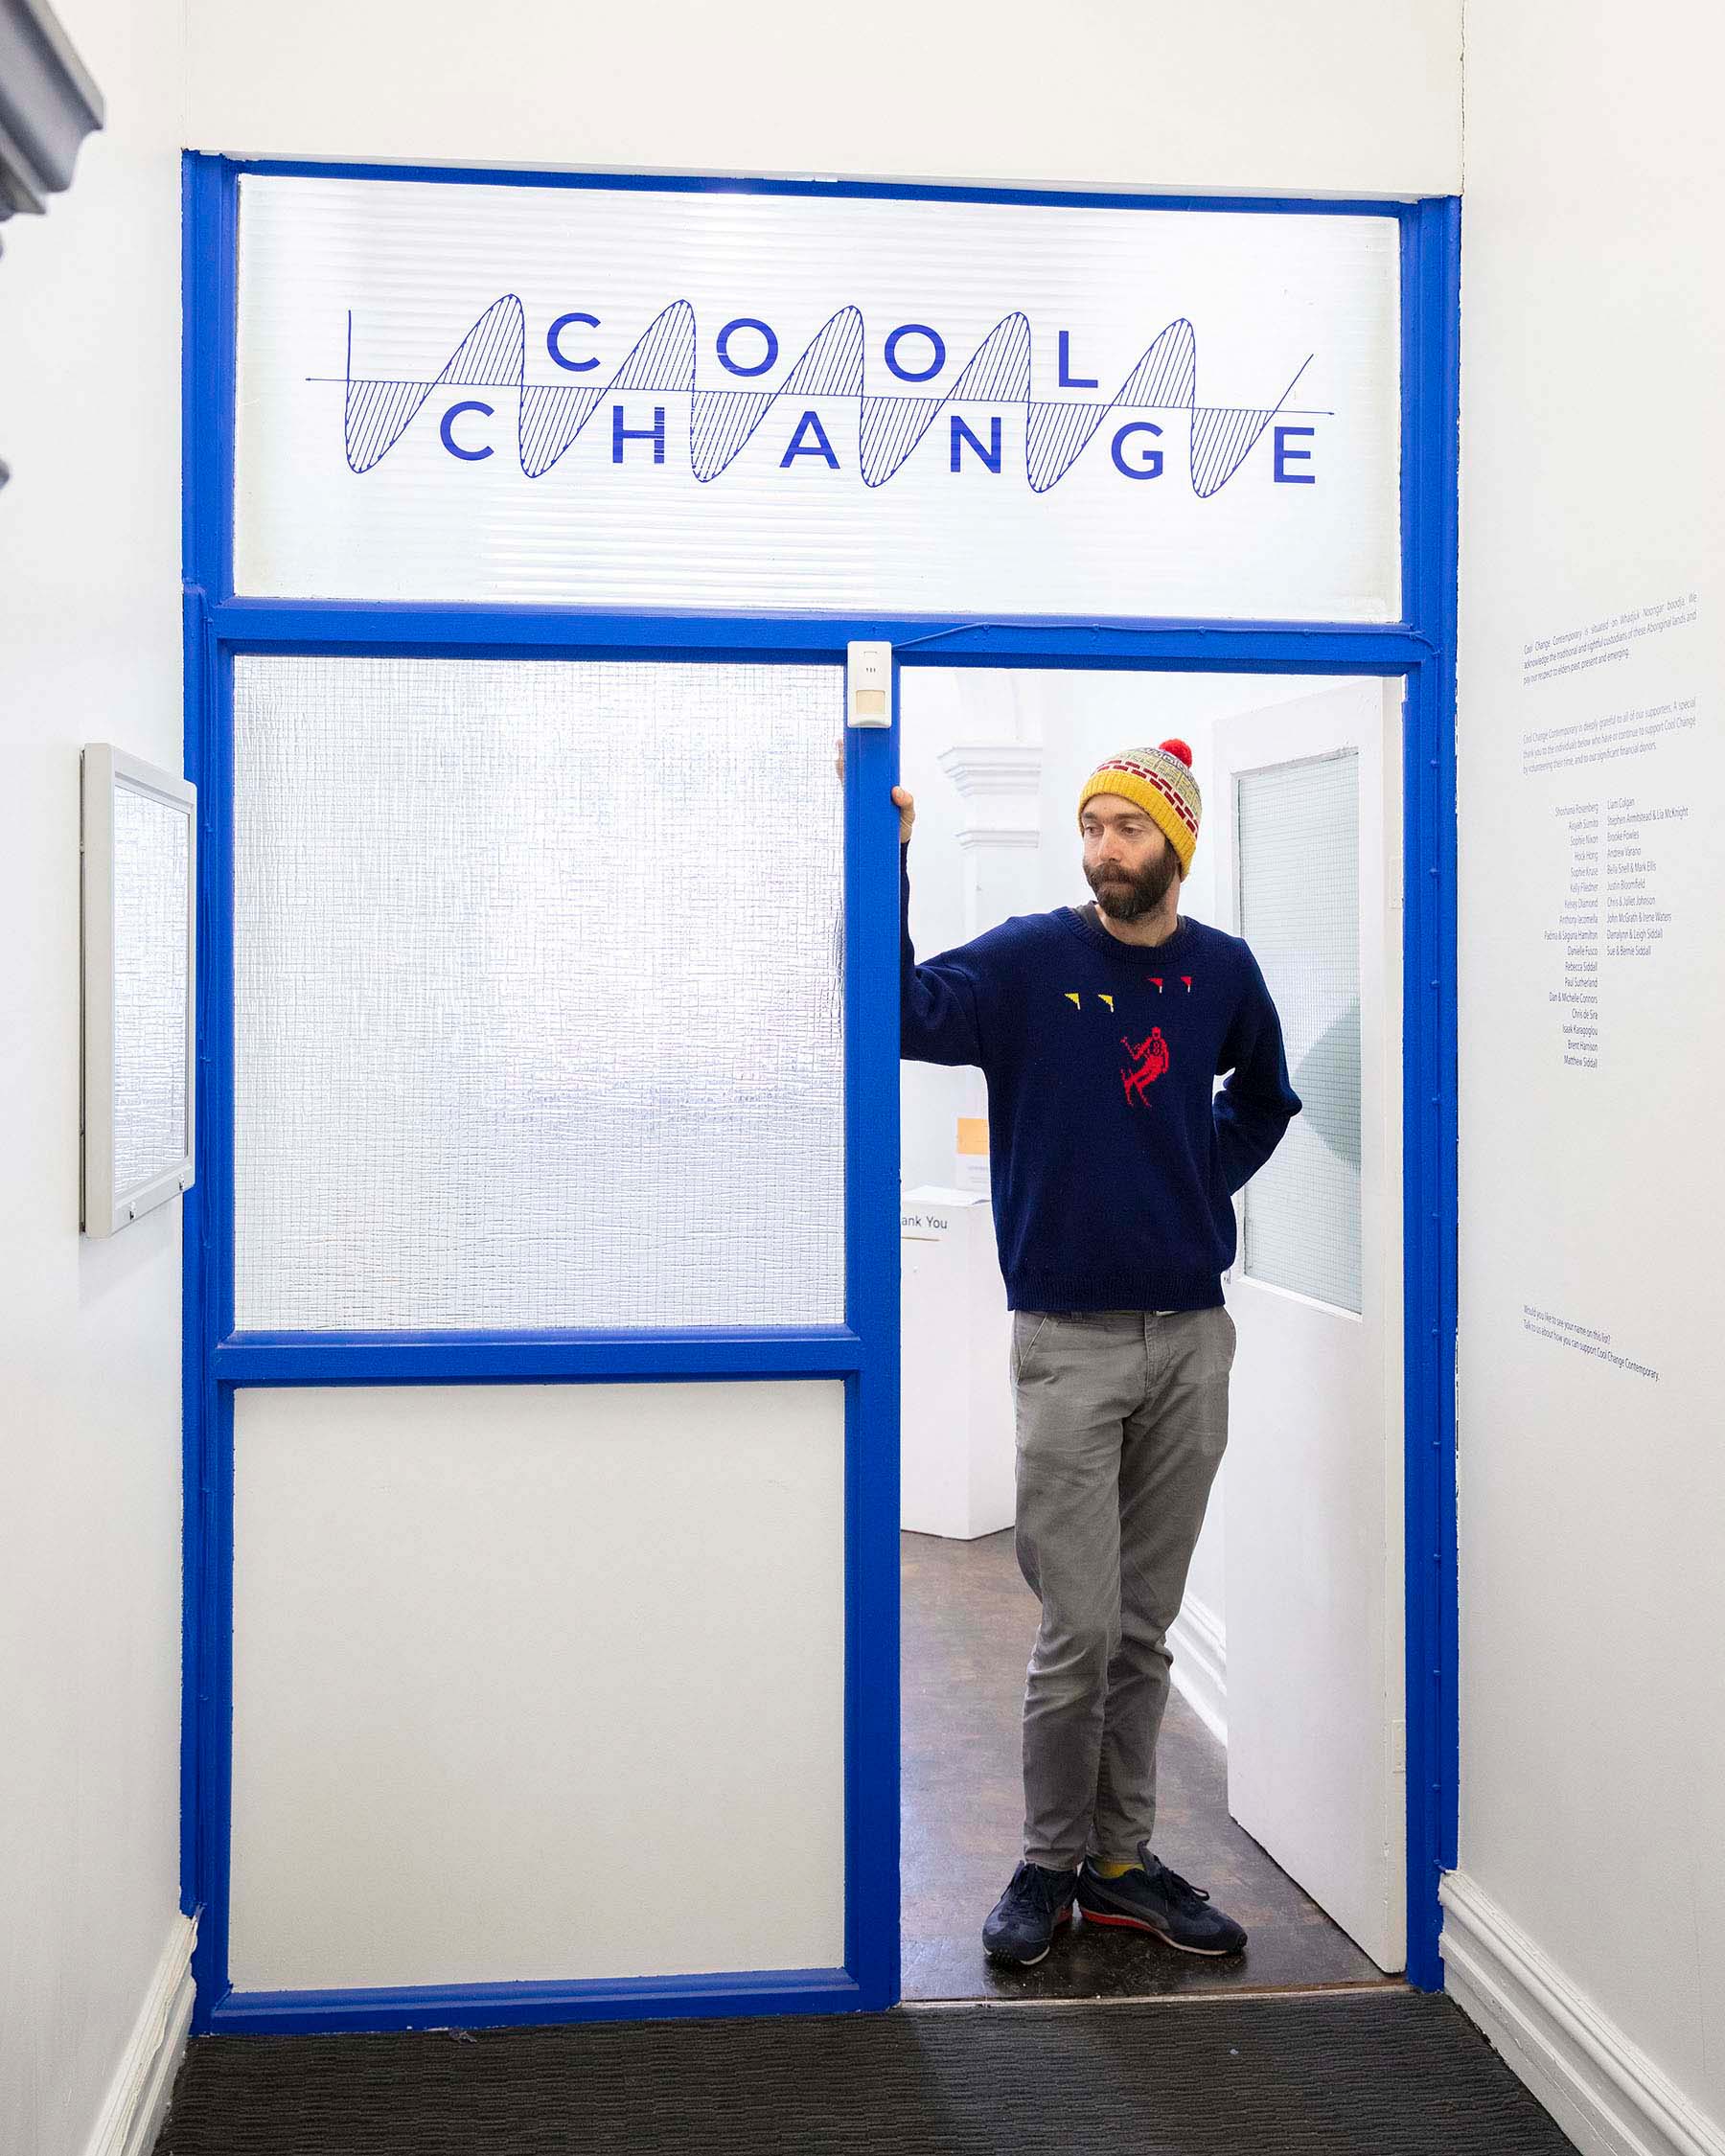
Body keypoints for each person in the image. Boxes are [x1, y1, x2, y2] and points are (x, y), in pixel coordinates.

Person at [896, 737, 1300, 1968]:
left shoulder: (1221, 973)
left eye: (1128, 829)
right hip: (1066, 1341)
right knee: (1077, 1626)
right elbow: (901, 1015)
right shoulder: (1030, 960)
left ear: (1176, 844)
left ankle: (1121, 1864)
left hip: (1190, 1340)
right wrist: (889, 856)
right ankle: (1046, 1857)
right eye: (1091, 828)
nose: (1103, 851)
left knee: (1143, 1628)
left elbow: (1266, 1099)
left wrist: (1196, 1181)